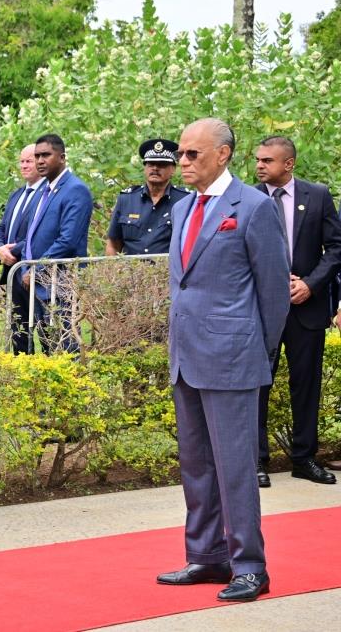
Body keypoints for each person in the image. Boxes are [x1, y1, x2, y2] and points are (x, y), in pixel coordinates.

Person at [156, 118, 289, 603]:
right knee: (196, 466)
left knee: (235, 469)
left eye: (192, 154)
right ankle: (207, 555)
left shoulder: (252, 207)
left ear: (223, 154)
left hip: (232, 360)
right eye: (181, 154)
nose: (182, 162)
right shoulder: (184, 206)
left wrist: (255, 353)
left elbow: (273, 292)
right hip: (187, 356)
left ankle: (250, 566)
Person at [253, 136, 341, 487]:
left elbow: (336, 248)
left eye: (267, 160)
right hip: (261, 310)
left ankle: (304, 459)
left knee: (306, 385)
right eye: (258, 160)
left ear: (288, 164)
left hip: (306, 307)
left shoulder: (317, 196)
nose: (260, 165)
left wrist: (310, 284)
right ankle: (256, 460)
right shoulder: (248, 198)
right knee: (258, 384)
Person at [10, 134, 92, 353]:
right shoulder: (43, 190)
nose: (40, 161)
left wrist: (36, 269)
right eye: (37, 156)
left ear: (62, 157)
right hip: (36, 284)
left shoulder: (75, 189)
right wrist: (20, 259)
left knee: (64, 350)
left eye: (46, 155)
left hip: (60, 283)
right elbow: (33, 236)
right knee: (47, 348)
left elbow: (68, 240)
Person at [0, 144, 47, 353]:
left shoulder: (47, 194)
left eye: (29, 161)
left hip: (35, 274)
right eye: (22, 161)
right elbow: (1, 227)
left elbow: (42, 234)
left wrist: (12, 252)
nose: (24, 165)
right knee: (18, 334)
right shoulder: (16, 195)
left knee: (46, 333)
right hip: (12, 275)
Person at [106, 138, 189, 255]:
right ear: (145, 168)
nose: (155, 168)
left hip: (168, 266)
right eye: (150, 164)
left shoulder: (185, 200)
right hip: (130, 266)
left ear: (173, 170)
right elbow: (113, 244)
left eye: (161, 164)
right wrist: (113, 266)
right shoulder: (127, 199)